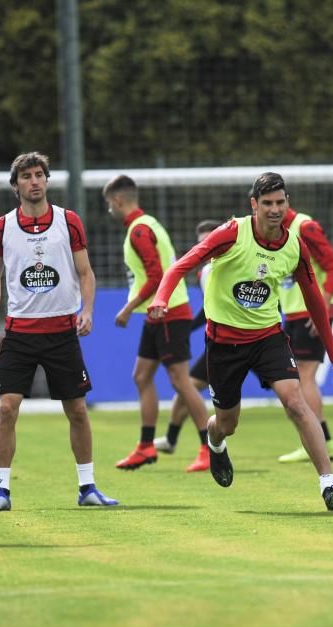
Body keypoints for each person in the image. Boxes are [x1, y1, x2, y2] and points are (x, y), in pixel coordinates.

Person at [148, 172, 333, 510]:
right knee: (227, 423)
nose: (274, 209)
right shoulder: (230, 234)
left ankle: (329, 486)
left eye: (280, 203)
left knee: (295, 401)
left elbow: (314, 297)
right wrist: (161, 299)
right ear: (253, 204)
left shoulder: (294, 244)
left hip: (268, 336)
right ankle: (214, 444)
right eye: (267, 203)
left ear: (288, 204)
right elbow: (179, 266)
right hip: (224, 343)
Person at [0, 152, 118, 512]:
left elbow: (86, 272)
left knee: (77, 410)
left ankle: (87, 486)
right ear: (16, 186)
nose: (34, 181)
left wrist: (87, 310)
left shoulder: (68, 222)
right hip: (20, 334)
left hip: (61, 332)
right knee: (7, 408)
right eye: (26, 176)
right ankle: (1, 491)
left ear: (47, 180)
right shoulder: (2, 227)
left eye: (39, 174)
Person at [105, 175, 211, 473]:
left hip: (167, 313)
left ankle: (209, 447)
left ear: (117, 201)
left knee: (181, 381)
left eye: (108, 204)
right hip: (158, 314)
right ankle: (146, 445)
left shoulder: (139, 230)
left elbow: (156, 276)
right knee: (141, 376)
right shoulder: (148, 224)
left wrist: (127, 309)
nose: (108, 210)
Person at [153, 219, 221, 472]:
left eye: (209, 239)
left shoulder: (216, 269)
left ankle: (206, 447)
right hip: (221, 341)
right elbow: (209, 309)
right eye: (201, 240)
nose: (206, 245)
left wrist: (186, 327)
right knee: (186, 386)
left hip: (236, 340)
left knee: (187, 387)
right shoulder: (205, 271)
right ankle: (172, 439)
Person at [276, 206, 333, 463]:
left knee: (303, 377)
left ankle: (318, 444)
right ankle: (324, 441)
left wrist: (323, 308)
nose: (273, 209)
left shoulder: (305, 227)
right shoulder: (274, 232)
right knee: (294, 380)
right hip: (292, 314)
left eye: (277, 203)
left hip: (310, 313)